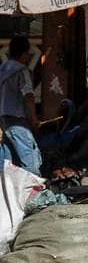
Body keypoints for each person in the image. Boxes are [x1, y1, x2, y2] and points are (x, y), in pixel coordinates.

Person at [0, 36, 41, 175]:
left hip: (4, 120)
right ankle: (34, 193)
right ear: (24, 53)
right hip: (17, 121)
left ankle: (6, 192)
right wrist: (34, 118)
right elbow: (28, 95)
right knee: (30, 158)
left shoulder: (2, 69)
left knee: (7, 160)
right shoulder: (22, 70)